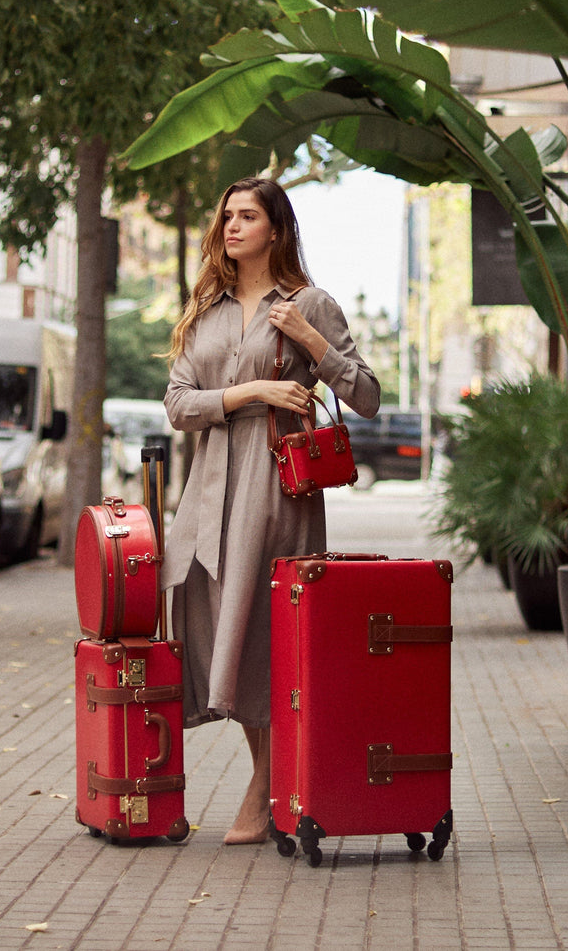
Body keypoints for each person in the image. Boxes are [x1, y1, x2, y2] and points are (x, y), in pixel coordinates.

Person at [161, 177, 380, 845]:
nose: (231, 226)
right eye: (227, 214)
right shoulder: (206, 311)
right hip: (206, 500)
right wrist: (251, 388)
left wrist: (313, 341)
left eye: (247, 216)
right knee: (221, 634)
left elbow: (366, 395)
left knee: (266, 635)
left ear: (276, 229)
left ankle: (264, 790)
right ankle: (272, 777)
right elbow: (177, 405)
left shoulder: (311, 303)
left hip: (275, 496)